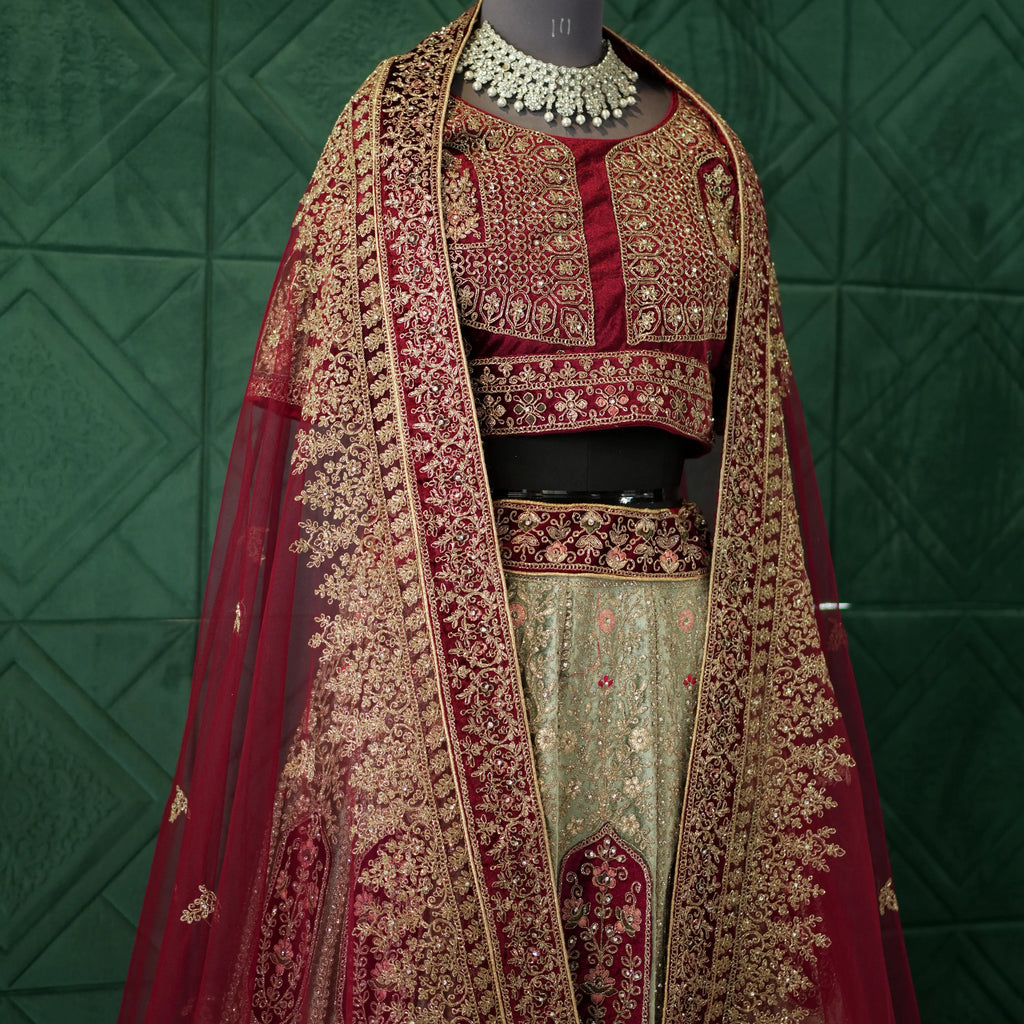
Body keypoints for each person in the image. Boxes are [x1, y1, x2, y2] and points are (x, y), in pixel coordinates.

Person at [119, 3, 920, 1022]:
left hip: (677, 661)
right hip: (456, 649)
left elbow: (754, 429)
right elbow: (329, 417)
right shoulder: (400, 138)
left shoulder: (710, 155)